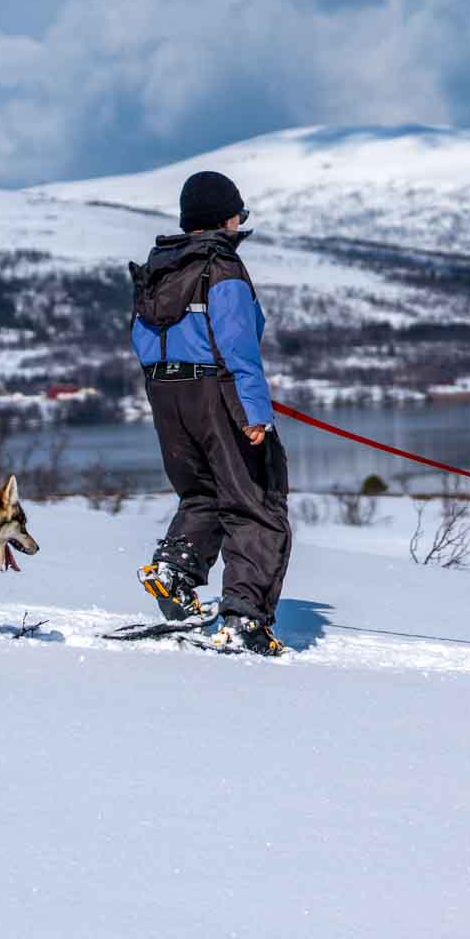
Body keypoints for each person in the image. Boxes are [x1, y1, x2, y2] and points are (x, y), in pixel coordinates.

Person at [129, 170, 291, 656]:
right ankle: (244, 618)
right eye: (239, 213)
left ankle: (175, 571)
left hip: (165, 393)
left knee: (202, 492)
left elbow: (140, 338)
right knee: (255, 501)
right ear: (227, 217)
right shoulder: (221, 268)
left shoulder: (159, 267)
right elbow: (238, 345)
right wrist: (254, 412)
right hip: (217, 394)